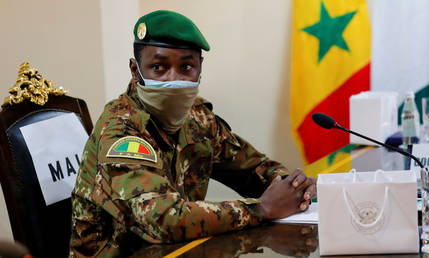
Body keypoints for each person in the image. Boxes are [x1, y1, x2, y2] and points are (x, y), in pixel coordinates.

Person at [69, 10, 316, 257]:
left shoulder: (197, 117)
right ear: (135, 70)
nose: (174, 79)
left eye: (186, 67)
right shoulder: (121, 130)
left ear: (200, 68)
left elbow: (254, 169)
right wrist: (261, 209)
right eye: (158, 67)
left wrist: (293, 188)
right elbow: (162, 220)